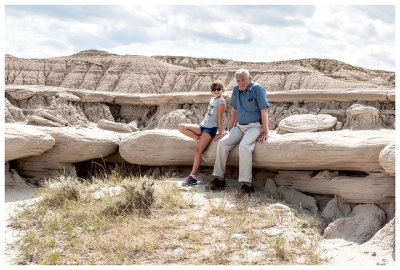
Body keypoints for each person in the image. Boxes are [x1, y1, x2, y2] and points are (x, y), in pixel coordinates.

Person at [207, 68, 269, 196]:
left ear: (249, 78)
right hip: (240, 126)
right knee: (223, 143)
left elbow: (264, 110)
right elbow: (234, 110)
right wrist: (230, 128)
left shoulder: (257, 89)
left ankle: (247, 185)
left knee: (244, 146)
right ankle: (219, 179)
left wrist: (265, 132)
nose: (241, 83)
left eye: (243, 80)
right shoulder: (236, 89)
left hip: (254, 126)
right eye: (238, 80)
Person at [178, 80, 226, 186]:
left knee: (198, 150)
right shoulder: (212, 99)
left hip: (210, 129)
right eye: (214, 89)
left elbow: (220, 118)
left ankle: (192, 176)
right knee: (181, 127)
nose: (216, 91)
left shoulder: (221, 101)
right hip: (202, 126)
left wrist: (220, 133)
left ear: (223, 90)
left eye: (219, 89)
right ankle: (198, 138)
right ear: (211, 91)